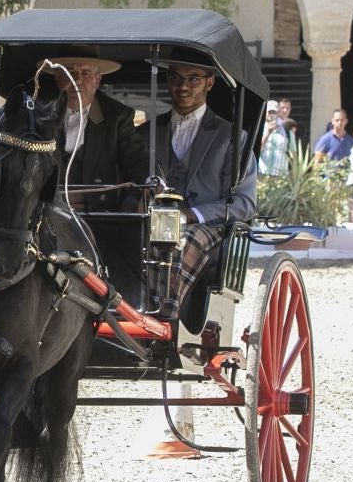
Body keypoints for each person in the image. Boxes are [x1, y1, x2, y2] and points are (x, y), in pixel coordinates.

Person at [135, 59, 257, 318]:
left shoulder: (232, 137)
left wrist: (189, 215)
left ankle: (166, 316)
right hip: (151, 221)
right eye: (176, 78)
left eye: (193, 79)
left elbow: (244, 203)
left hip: (207, 227)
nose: (183, 87)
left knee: (182, 239)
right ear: (168, 81)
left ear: (209, 83)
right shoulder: (146, 134)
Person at [41, 51, 142, 207]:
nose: (77, 80)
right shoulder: (39, 116)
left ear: (97, 80)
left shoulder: (117, 117)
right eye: (70, 73)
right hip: (48, 214)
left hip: (100, 216)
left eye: (85, 73)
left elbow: (137, 160)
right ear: (58, 78)